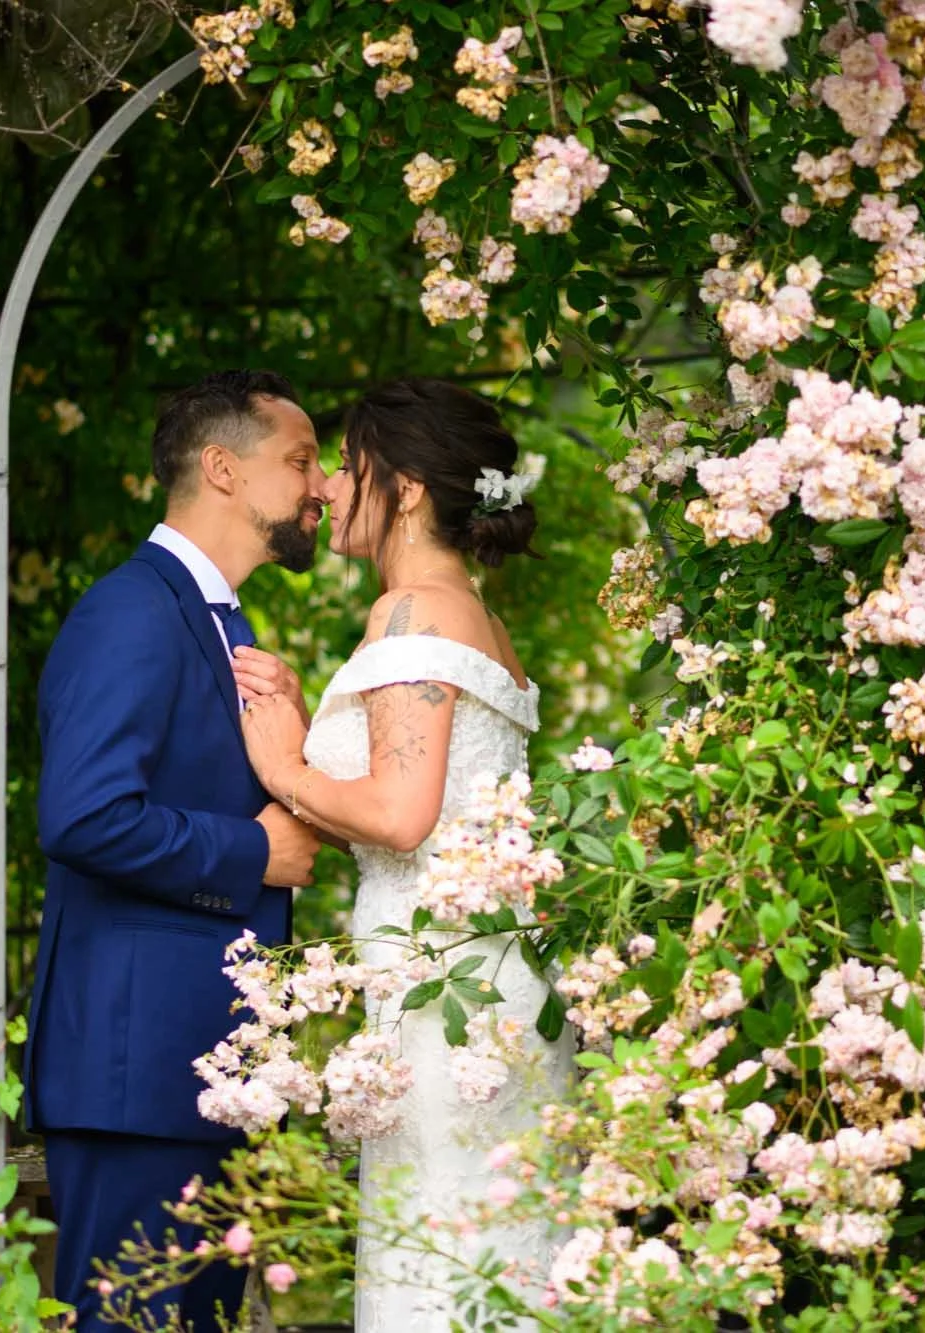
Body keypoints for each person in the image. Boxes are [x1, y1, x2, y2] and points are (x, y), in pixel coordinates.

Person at [238, 377, 574, 1329]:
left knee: (442, 1255)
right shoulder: (477, 619)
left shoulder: (411, 615)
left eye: (347, 467)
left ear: (411, 487)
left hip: (445, 1002)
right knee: (483, 1251)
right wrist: (309, 733)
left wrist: (281, 766)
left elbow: (399, 813)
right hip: (478, 979)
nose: (330, 490)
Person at [29, 369, 327, 1329]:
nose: (319, 486)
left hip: (198, 1073)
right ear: (222, 469)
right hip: (135, 1076)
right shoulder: (131, 612)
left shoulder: (219, 621)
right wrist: (253, 852)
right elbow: (81, 816)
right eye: (299, 460)